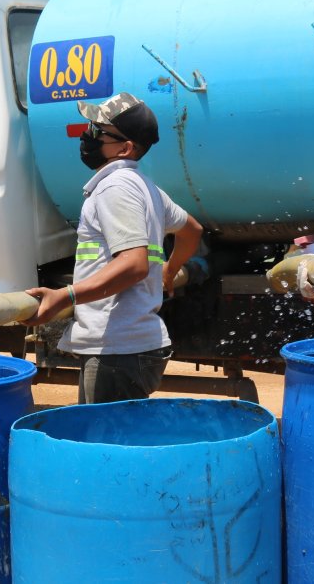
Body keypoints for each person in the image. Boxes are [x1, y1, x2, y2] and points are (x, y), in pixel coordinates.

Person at [22, 92, 204, 404]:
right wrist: (170, 270)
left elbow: (134, 264)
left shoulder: (115, 187)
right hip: (131, 346)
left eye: (98, 130)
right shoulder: (146, 187)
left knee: (104, 434)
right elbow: (192, 231)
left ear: (125, 148)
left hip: (116, 348)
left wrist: (65, 296)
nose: (88, 135)